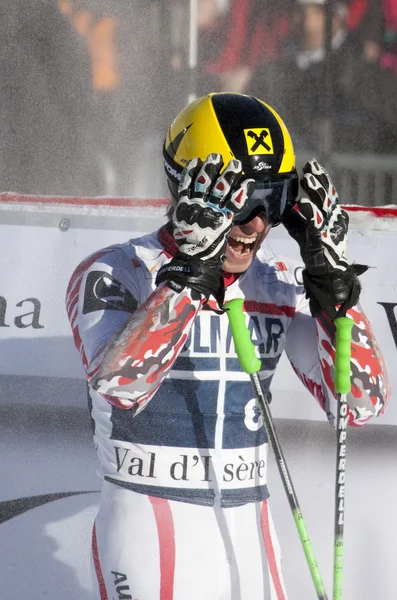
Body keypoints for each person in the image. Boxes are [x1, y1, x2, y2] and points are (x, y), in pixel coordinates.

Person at [66, 92, 389, 599]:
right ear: (188, 189)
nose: (257, 223)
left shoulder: (276, 285)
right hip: (149, 529)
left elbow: (361, 405)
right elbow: (120, 386)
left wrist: (332, 288)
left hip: (249, 536)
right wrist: (192, 274)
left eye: (275, 201)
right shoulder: (115, 271)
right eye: (241, 200)